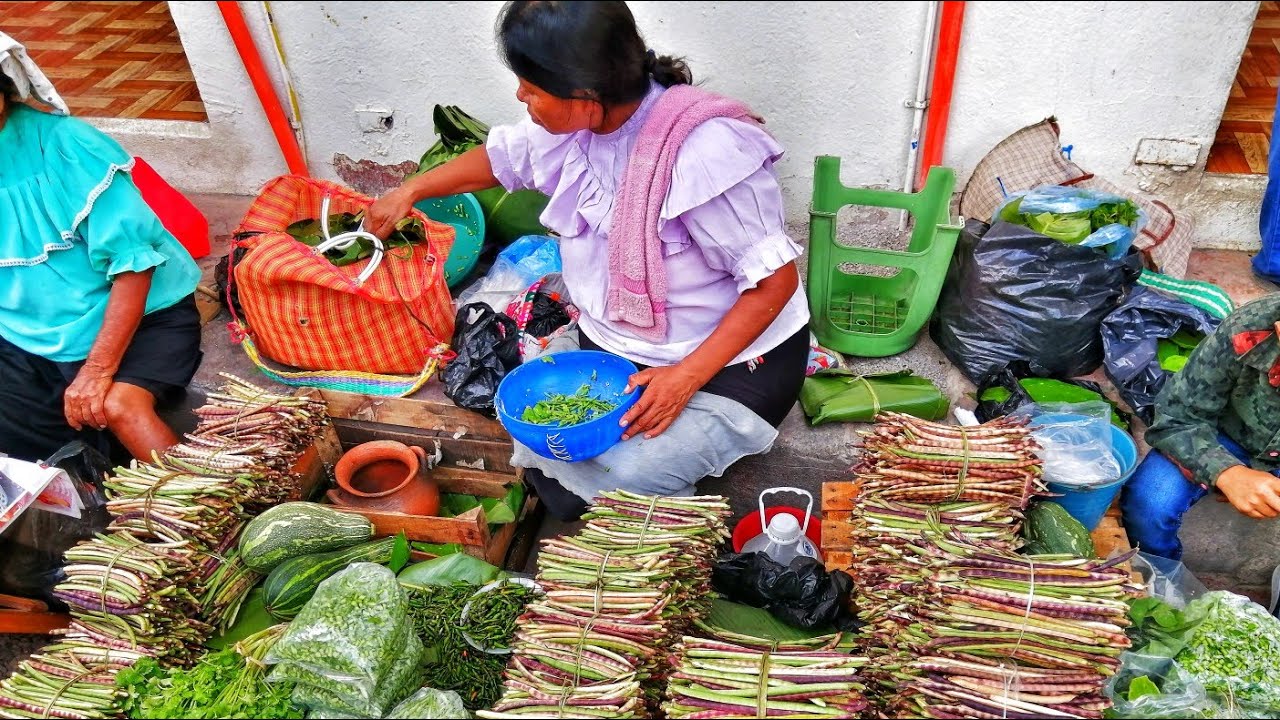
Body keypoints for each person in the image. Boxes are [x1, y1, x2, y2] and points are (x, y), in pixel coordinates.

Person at [368, 1, 810, 520]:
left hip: (730, 364)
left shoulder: (705, 152)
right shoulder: (572, 130)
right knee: (538, 432)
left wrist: (685, 377)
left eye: (532, 87)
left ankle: (656, 525)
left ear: (584, 96)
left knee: (630, 473)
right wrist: (411, 190)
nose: (520, 96)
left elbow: (773, 284)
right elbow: (499, 158)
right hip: (620, 345)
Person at [0, 33, 203, 465]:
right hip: (25, 334)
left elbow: (134, 267)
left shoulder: (67, 145)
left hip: (142, 319)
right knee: (33, 446)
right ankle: (81, 509)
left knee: (119, 408)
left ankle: (220, 520)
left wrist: (97, 371)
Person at [1121, 294, 1280, 616]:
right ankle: (1164, 588)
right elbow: (1176, 417)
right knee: (1149, 503)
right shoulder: (1250, 329)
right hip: (1224, 436)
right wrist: (1226, 472)